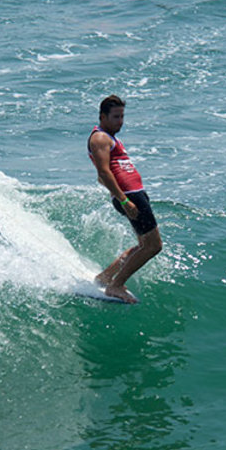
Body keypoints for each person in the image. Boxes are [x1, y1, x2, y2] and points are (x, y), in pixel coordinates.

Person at [88, 95, 163, 304]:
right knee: (153, 246)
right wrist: (123, 200)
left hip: (134, 194)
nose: (120, 121)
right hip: (130, 197)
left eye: (122, 116)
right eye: (115, 117)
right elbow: (103, 173)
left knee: (143, 245)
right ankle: (116, 285)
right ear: (103, 116)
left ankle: (105, 277)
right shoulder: (100, 138)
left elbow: (103, 176)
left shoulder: (111, 138)